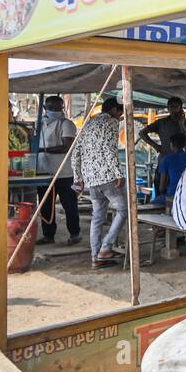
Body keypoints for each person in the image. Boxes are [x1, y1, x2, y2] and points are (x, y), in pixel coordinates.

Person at [71, 96, 127, 268]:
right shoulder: (110, 123)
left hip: (91, 181)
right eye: (120, 114)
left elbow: (75, 154)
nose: (120, 118)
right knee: (124, 210)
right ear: (114, 111)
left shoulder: (88, 124)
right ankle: (106, 247)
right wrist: (119, 174)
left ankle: (96, 258)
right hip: (107, 178)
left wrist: (78, 178)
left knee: (97, 218)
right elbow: (110, 150)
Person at [37, 95, 80, 245]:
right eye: (51, 108)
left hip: (64, 172)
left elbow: (67, 146)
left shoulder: (66, 124)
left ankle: (74, 233)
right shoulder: (39, 123)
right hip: (42, 171)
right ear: (44, 108)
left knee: (69, 204)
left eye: (57, 108)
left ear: (62, 108)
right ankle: (48, 235)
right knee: (45, 205)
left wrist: (44, 149)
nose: (55, 111)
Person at [139, 96, 186, 177]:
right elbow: (142, 133)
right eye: (171, 107)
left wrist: (182, 126)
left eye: (176, 107)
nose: (174, 110)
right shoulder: (161, 123)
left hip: (181, 161)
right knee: (161, 185)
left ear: (181, 108)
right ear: (168, 108)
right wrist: (156, 146)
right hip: (164, 159)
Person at [153, 132, 186, 208]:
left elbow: (161, 188)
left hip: (172, 196)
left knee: (152, 204)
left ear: (171, 144)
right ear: (185, 144)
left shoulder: (166, 160)